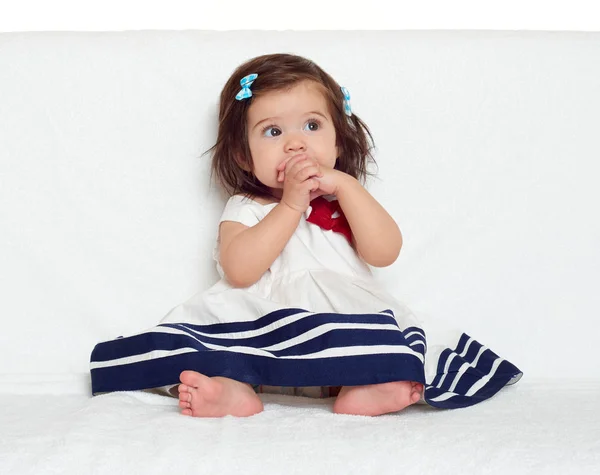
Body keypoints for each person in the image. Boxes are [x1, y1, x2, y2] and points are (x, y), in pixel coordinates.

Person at [90, 53, 522, 418]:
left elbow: (385, 251)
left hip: (339, 314)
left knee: (379, 345)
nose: (296, 144)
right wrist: (291, 205)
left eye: (312, 127)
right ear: (243, 154)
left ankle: (362, 389)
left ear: (337, 142)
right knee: (208, 349)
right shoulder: (247, 206)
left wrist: (348, 188)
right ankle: (235, 392)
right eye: (273, 132)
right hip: (262, 318)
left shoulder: (342, 199)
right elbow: (240, 270)